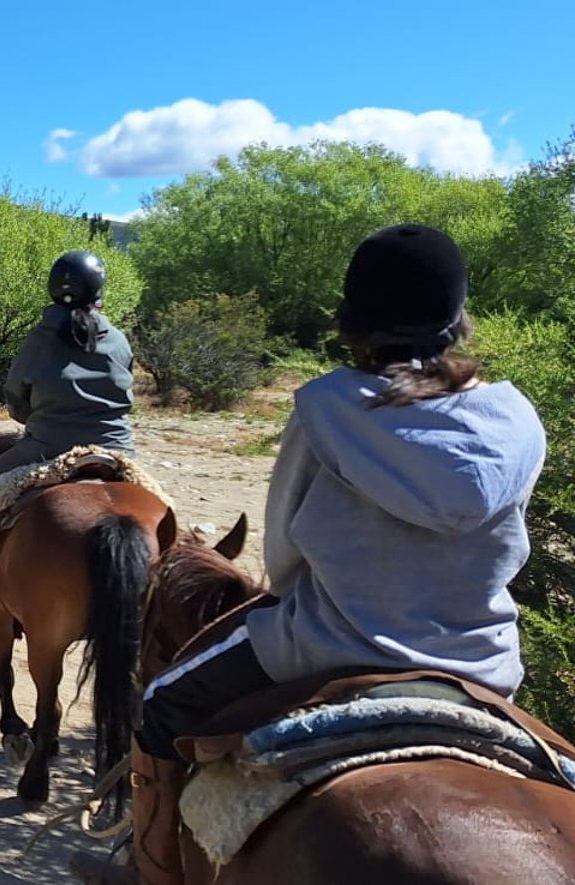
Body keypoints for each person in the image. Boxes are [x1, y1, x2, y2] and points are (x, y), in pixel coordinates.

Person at [108, 224, 548, 885]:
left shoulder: (327, 407)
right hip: (480, 658)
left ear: (354, 319)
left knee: (164, 701)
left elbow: (284, 556)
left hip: (325, 643)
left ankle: (152, 870)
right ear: (458, 319)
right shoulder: (516, 418)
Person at [0, 250, 135, 597]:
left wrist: (32, 418)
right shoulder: (118, 338)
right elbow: (127, 388)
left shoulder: (42, 336)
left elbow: (16, 391)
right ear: (98, 292)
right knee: (163, 509)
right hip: (117, 448)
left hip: (49, 445)